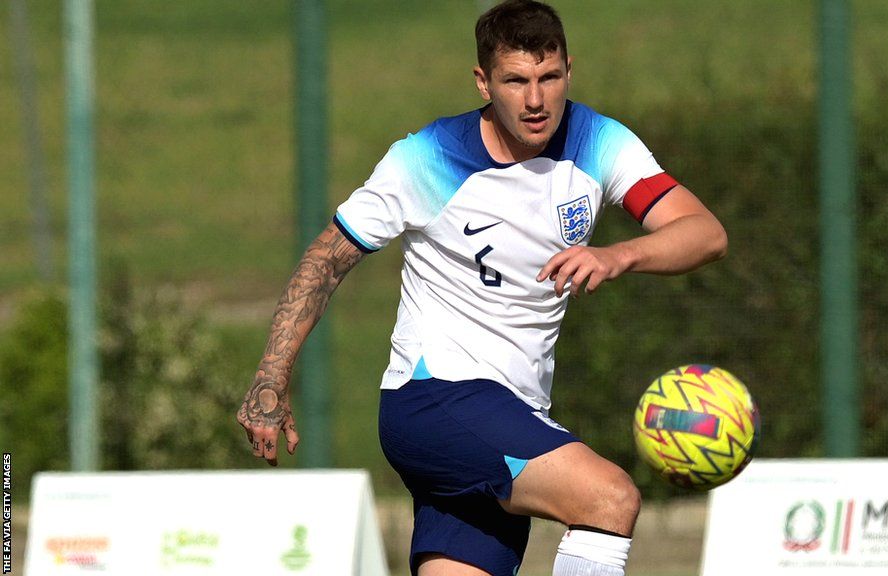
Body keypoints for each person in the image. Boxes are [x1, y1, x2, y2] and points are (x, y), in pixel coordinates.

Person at [237, 1, 727, 574]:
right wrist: (271, 377)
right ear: (483, 81)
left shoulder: (599, 140)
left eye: (549, 77)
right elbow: (326, 260)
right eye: (516, 81)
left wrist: (621, 254)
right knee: (608, 497)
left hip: (512, 416)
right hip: (435, 397)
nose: (536, 99)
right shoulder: (426, 157)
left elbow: (704, 233)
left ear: (570, 69)